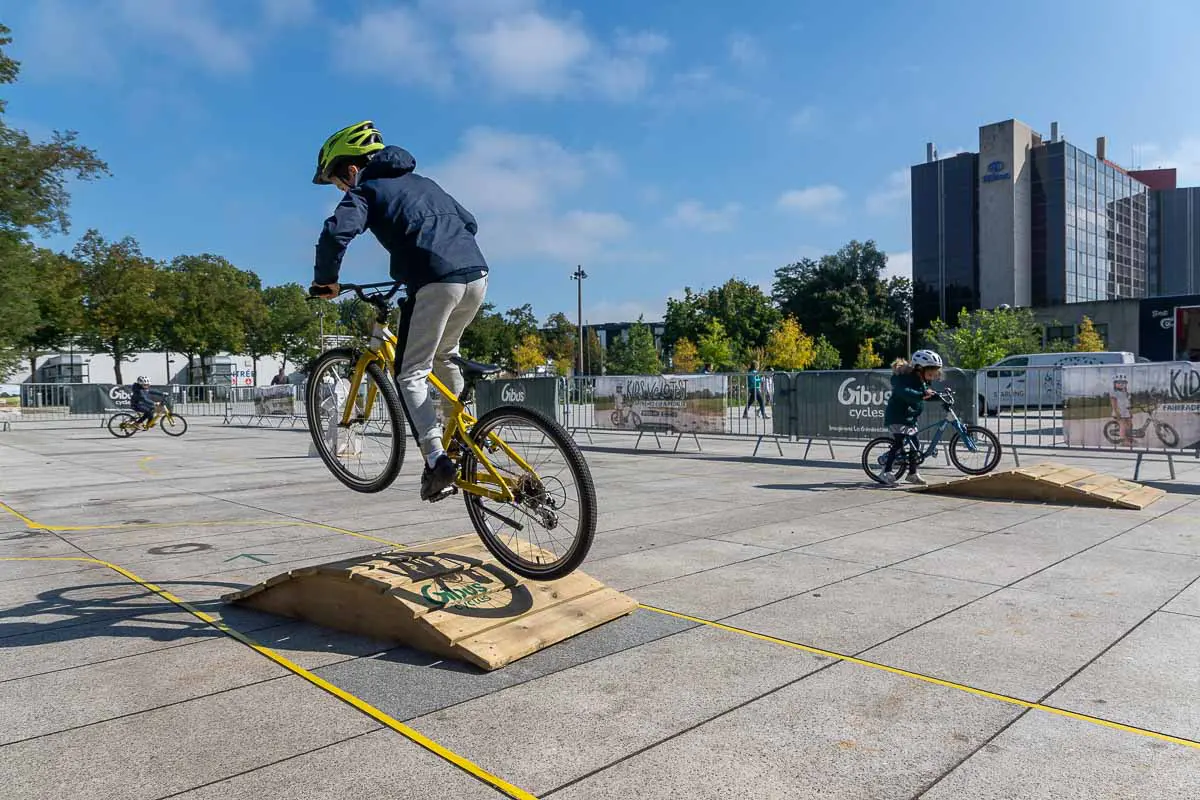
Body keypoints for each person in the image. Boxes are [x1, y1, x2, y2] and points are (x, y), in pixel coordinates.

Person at [307, 121, 489, 501]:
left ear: (352, 169)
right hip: (476, 274)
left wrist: (327, 281)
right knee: (445, 354)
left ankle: (437, 460)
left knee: (410, 372)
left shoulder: (367, 189)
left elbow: (335, 233)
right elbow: (469, 222)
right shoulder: (425, 183)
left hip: (435, 279)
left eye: (339, 182)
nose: (342, 190)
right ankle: (464, 438)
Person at [879, 350, 943, 486]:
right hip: (897, 416)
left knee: (915, 445)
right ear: (920, 369)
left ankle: (912, 474)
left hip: (910, 417)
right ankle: (885, 472)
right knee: (899, 443)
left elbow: (924, 395)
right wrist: (922, 394)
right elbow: (906, 392)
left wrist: (939, 396)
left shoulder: (921, 381)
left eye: (934, 375)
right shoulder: (904, 378)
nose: (932, 378)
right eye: (930, 374)